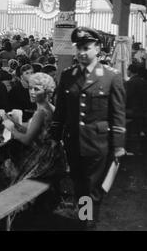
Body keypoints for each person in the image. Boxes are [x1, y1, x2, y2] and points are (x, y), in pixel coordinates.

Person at [50, 27, 126, 229]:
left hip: (98, 143)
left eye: (87, 47)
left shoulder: (111, 76)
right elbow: (61, 110)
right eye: (79, 48)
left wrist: (118, 146)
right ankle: (85, 218)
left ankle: (86, 223)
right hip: (73, 141)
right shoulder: (68, 76)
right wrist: (54, 136)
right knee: (79, 184)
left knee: (93, 187)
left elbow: (118, 113)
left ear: (98, 48)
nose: (82, 52)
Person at [0, 72, 65, 186]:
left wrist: (11, 128)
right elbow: (37, 132)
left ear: (47, 92)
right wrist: (15, 123)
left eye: (37, 89)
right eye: (30, 88)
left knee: (5, 167)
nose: (32, 92)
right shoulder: (50, 107)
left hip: (42, 159)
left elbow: (27, 140)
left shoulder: (40, 112)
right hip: (53, 156)